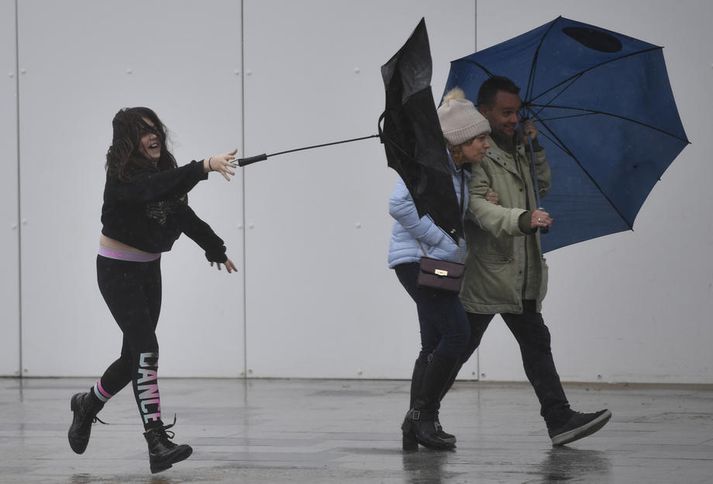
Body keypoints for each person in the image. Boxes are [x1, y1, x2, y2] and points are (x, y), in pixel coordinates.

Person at [67, 107, 238, 473]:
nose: (153, 135)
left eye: (155, 128)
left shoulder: (165, 171)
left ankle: (87, 405)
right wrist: (203, 166)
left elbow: (180, 213)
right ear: (129, 141)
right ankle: (156, 441)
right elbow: (153, 190)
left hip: (148, 271)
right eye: (143, 132)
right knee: (147, 349)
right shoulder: (122, 179)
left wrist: (214, 247)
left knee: (134, 359)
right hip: (116, 270)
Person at [458, 76, 612, 446]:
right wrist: (521, 219)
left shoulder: (519, 149)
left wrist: (535, 147)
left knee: (537, 344)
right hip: (490, 272)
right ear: (484, 113)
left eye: (517, 112)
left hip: (523, 272)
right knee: (456, 348)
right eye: (506, 113)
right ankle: (420, 413)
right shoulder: (478, 155)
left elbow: (541, 187)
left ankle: (559, 420)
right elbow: (476, 207)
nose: (513, 119)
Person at [388, 88, 491, 451]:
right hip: (417, 262)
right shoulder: (426, 165)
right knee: (458, 335)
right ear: (459, 142)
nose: (486, 145)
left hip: (436, 265)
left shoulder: (459, 172)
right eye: (480, 138)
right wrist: (443, 242)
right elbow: (398, 206)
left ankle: (414, 423)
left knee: (432, 343)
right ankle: (424, 417)